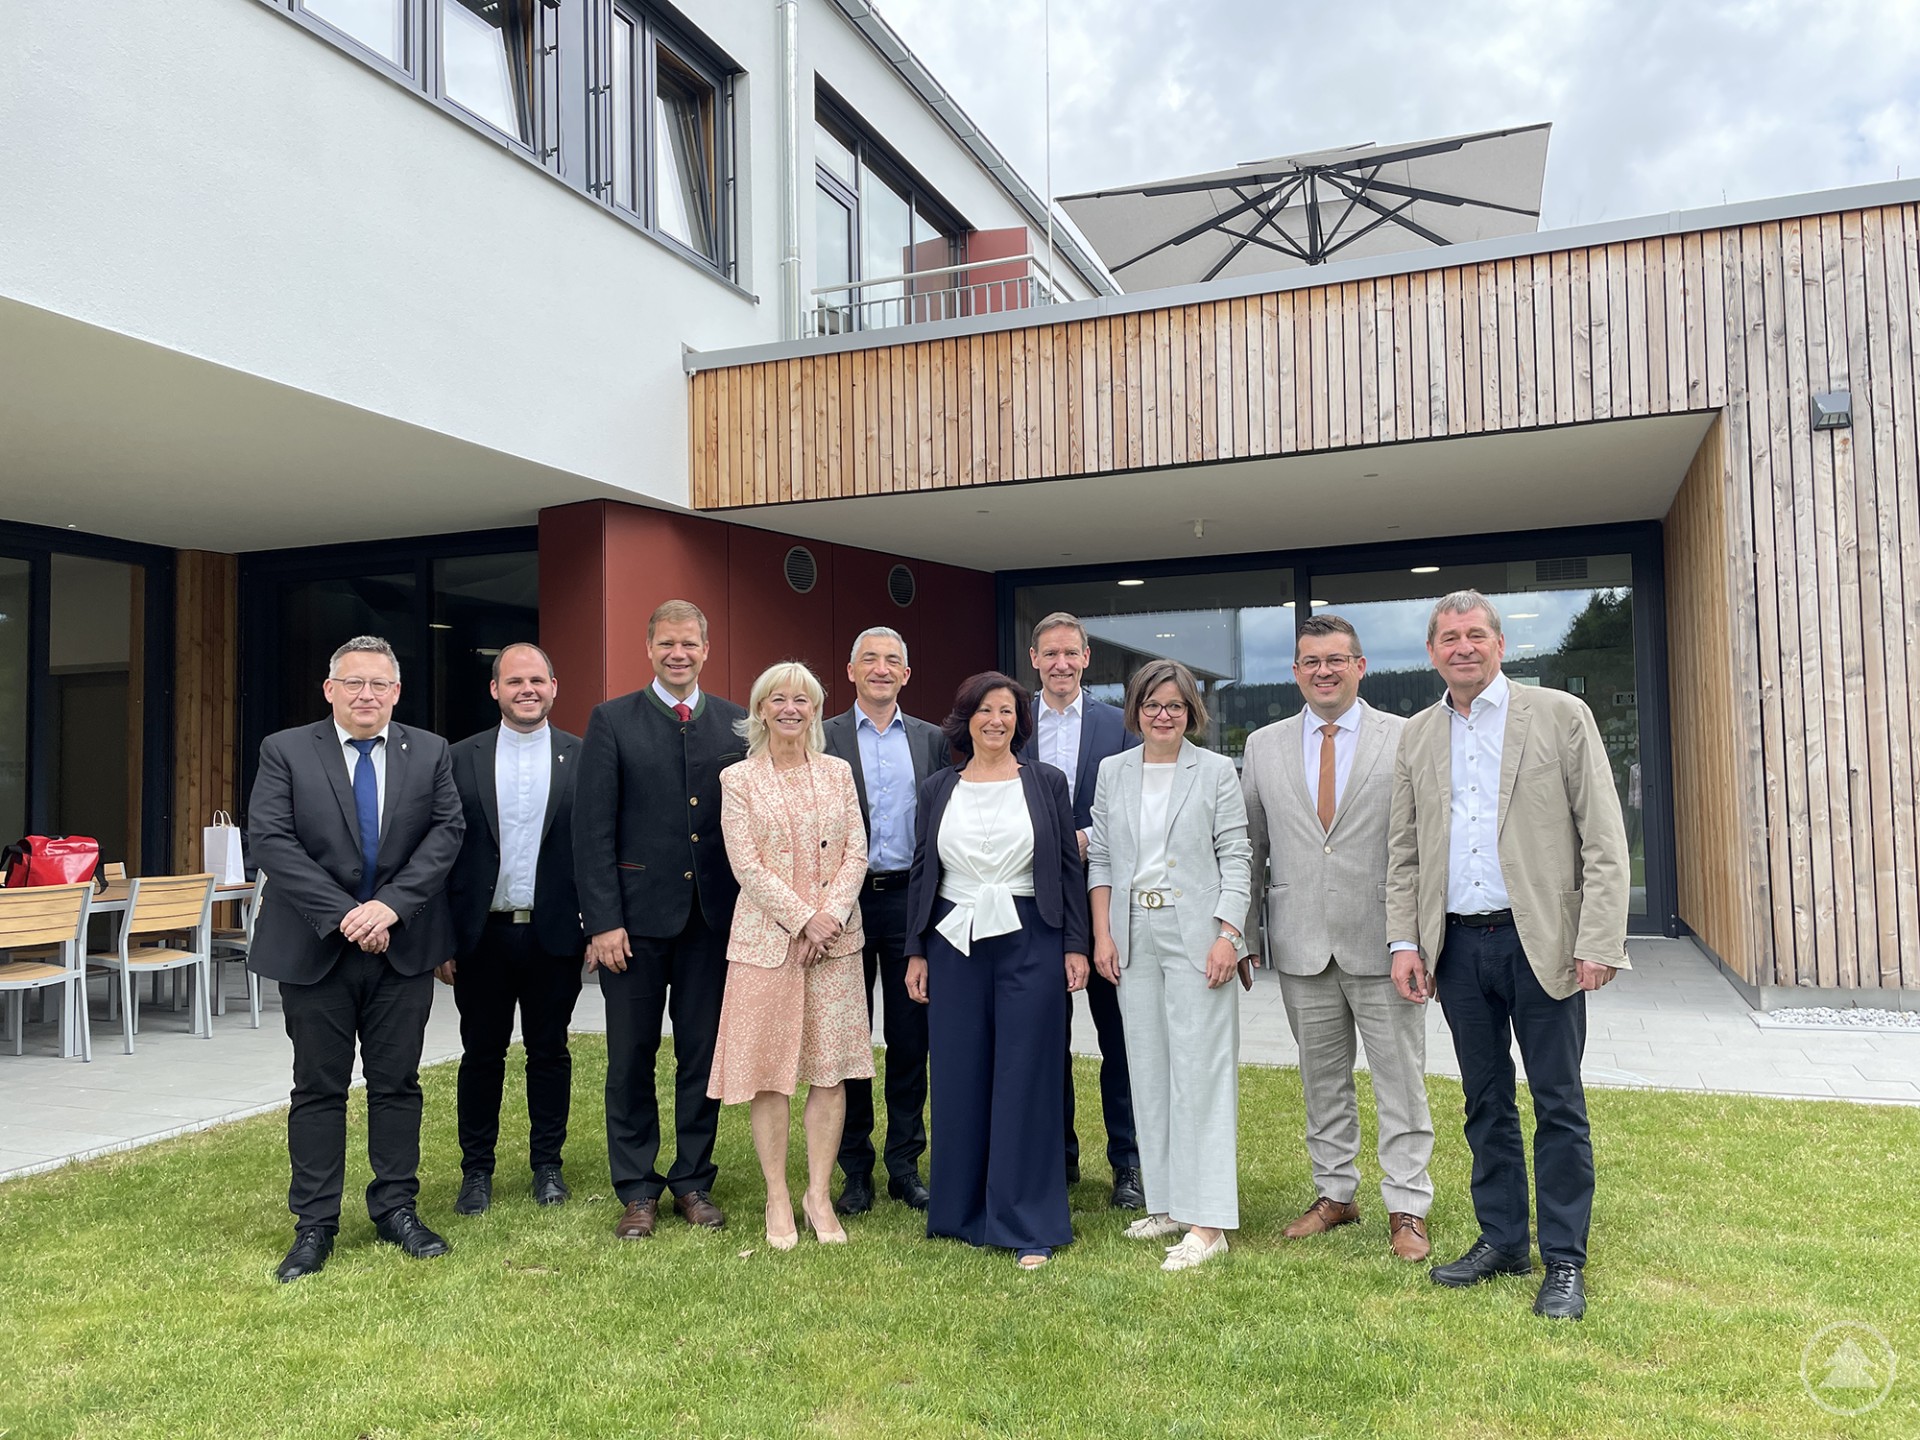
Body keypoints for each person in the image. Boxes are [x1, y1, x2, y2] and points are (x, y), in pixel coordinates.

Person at [1387, 590, 1630, 1321]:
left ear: (1500, 644)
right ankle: (1503, 1240)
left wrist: (1598, 939)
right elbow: (1405, 851)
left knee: (1558, 1104)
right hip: (1458, 945)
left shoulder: (1559, 716)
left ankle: (1563, 1261)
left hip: (1542, 941)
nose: (1461, 647)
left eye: (1474, 635)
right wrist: (1406, 940)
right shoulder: (1417, 736)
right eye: (1448, 637)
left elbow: (1605, 837)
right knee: (1484, 1103)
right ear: (1431, 652)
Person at [247, 635, 464, 1283]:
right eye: (354, 683)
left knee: (397, 1083)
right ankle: (314, 1224)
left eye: (379, 685)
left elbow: (446, 832)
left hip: (403, 947)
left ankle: (396, 1207)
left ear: (396, 693)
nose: (366, 695)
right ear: (330, 689)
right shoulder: (285, 750)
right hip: (316, 948)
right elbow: (271, 840)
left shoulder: (429, 752)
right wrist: (346, 914)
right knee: (319, 1088)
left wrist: (390, 906)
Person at [1242, 614, 1435, 1262]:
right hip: (1300, 940)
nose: (1323, 670)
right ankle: (1335, 1194)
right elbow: (1250, 847)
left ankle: (1408, 1206)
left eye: (1335, 659)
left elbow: (1422, 848)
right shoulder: (1263, 745)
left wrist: (1416, 938)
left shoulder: (1406, 738)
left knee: (1400, 1081)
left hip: (1386, 944)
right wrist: (1244, 935)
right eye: (1310, 661)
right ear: (1296, 671)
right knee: (1321, 1079)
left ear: (1360, 665)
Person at [905, 672, 1089, 1269]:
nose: (995, 720)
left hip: (1031, 937)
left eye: (1007, 711)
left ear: (1019, 720)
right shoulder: (938, 787)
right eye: (984, 710)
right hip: (953, 941)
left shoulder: (1046, 782)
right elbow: (920, 871)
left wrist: (1075, 945)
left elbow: (1066, 866)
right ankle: (959, 1211)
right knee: (958, 1072)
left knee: (1025, 1073)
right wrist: (915, 951)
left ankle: (1026, 1219)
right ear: (966, 718)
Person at [574, 600, 746, 1239]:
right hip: (634, 926)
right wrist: (602, 921)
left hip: (711, 923)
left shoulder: (736, 724)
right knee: (631, 1057)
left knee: (702, 1055)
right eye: (668, 643)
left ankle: (693, 1181)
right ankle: (638, 1188)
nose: (679, 653)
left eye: (690, 644)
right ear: (649, 649)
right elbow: (591, 829)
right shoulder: (612, 720)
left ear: (707, 648)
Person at [1087, 660, 1251, 1272]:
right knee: (1149, 1069)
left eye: (1176, 706)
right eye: (1153, 704)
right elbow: (1100, 856)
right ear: (1136, 710)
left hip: (1199, 934)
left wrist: (1228, 934)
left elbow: (1236, 855)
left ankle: (1208, 1223)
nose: (1163, 715)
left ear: (1192, 713)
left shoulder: (1213, 773)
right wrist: (1103, 933)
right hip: (1133, 937)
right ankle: (1168, 1202)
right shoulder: (1113, 772)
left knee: (1200, 1074)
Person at [710, 661, 872, 1249]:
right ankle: (778, 1195)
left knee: (829, 1074)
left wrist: (826, 918)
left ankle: (819, 1196)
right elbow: (746, 863)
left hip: (835, 946)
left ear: (815, 710)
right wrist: (802, 917)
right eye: (778, 699)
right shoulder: (739, 781)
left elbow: (857, 850)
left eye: (802, 701)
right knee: (770, 1076)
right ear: (759, 710)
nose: (790, 710)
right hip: (765, 946)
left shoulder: (837, 773)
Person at [437, 643, 585, 1216]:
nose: (528, 689)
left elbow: (594, 849)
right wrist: (442, 939)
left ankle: (548, 1166)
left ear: (554, 686)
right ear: (494, 689)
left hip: (554, 934)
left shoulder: (583, 754)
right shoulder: (458, 758)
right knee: (481, 1055)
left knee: (550, 1052)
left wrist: (596, 927)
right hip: (481, 936)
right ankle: (477, 1171)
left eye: (538, 680)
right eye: (514, 680)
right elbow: (443, 852)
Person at [822, 627, 949, 1216]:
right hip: (841, 907)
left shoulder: (934, 740)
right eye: (868, 659)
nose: (880, 668)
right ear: (849, 671)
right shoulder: (822, 740)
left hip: (910, 903)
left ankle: (904, 1165)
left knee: (908, 1040)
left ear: (906, 674)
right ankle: (855, 1171)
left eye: (891, 661)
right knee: (849, 1042)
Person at [1020, 611, 1144, 1210]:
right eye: (1051, 653)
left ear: (1086, 657)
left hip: (1107, 899)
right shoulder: (1013, 721)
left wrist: (1093, 835)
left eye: (1071, 653)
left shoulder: (1119, 724)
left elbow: (1138, 798)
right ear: (1034, 659)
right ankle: (1056, 1156)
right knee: (1046, 1035)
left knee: (1119, 1037)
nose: (1061, 663)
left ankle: (1129, 1162)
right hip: (1034, 903)